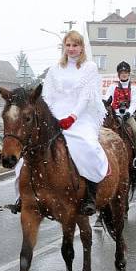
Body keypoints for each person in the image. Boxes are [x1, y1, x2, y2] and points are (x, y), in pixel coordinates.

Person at [42, 30, 109, 215]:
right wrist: (51, 118)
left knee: (87, 145)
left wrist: (72, 117)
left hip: (81, 116)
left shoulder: (89, 67)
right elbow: (47, 95)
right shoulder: (55, 68)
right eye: (68, 45)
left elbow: (86, 97)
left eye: (75, 45)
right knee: (32, 147)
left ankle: (90, 193)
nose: (71, 49)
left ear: (81, 48)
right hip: (55, 115)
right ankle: (26, 193)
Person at [104, 61, 136, 169]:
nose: (124, 74)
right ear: (118, 74)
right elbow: (107, 98)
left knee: (135, 131)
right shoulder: (113, 86)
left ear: (129, 73)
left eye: (126, 72)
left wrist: (128, 113)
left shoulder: (134, 87)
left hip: (128, 115)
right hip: (114, 115)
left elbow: (134, 102)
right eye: (122, 72)